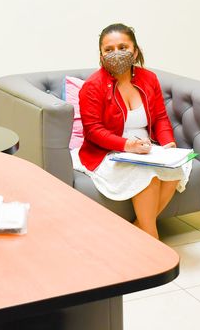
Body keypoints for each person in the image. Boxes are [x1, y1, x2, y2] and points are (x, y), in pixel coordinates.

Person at [77, 24, 189, 239]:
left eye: (123, 47)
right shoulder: (92, 86)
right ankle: (153, 239)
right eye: (109, 49)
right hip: (108, 152)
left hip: (145, 149)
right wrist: (127, 145)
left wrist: (168, 144)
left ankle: (138, 232)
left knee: (176, 168)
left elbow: (160, 118)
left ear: (135, 51)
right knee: (148, 177)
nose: (116, 53)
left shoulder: (149, 79)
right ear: (101, 55)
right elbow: (93, 131)